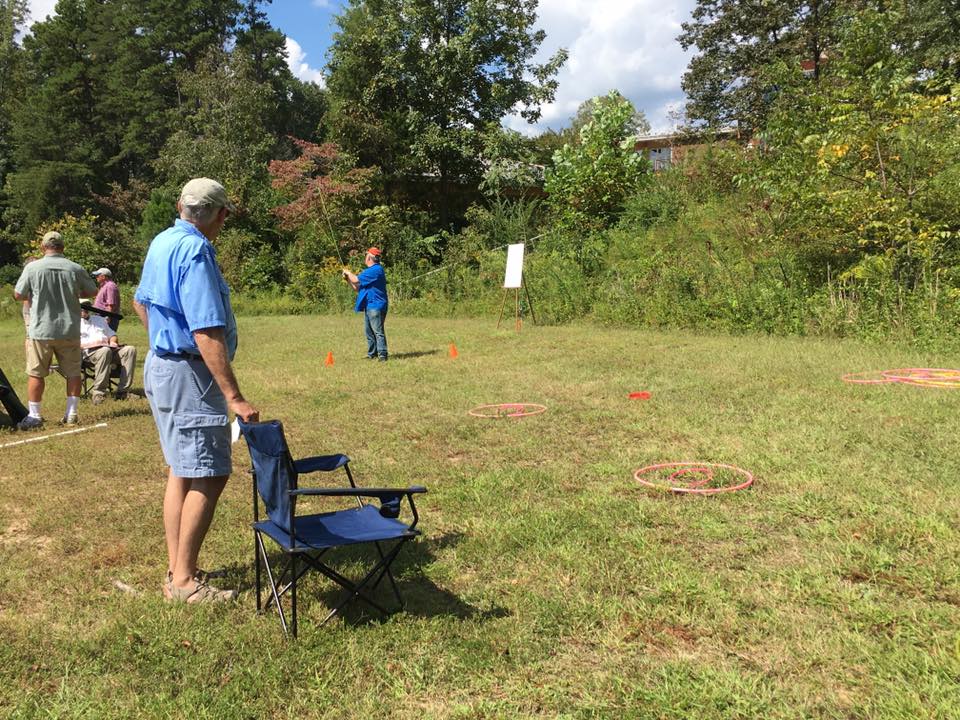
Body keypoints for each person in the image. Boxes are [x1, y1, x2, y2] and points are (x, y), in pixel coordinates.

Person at [134, 177, 258, 604]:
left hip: (164, 367)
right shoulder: (196, 251)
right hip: (187, 374)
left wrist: (164, 343)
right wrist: (234, 397)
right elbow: (206, 330)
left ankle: (177, 571)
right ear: (220, 215)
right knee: (209, 471)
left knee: (182, 470)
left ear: (180, 206)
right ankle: (184, 582)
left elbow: (140, 302)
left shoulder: (163, 240)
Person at [13, 231, 97, 429]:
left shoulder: (32, 268)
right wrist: (75, 292)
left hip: (41, 329)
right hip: (69, 328)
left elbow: (18, 294)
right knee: (73, 372)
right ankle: (71, 414)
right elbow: (92, 291)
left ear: (43, 248)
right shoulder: (74, 268)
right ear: (63, 247)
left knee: (36, 373)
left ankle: (34, 416)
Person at [80, 304, 137, 403]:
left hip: (108, 349)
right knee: (104, 351)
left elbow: (112, 334)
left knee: (130, 350)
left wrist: (113, 342)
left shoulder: (99, 319)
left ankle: (122, 392)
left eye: (86, 307)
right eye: (81, 308)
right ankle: (98, 394)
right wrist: (93, 344)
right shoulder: (72, 322)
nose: (83, 310)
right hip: (89, 353)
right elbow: (71, 342)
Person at [343, 247, 389, 361]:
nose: (365, 257)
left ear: (369, 257)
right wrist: (347, 279)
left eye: (366, 255)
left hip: (376, 305)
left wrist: (348, 272)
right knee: (369, 332)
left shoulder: (375, 270)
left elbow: (356, 279)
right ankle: (372, 354)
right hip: (370, 305)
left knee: (377, 331)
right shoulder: (370, 272)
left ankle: (382, 354)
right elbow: (357, 287)